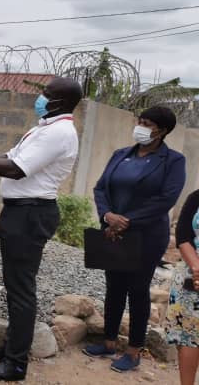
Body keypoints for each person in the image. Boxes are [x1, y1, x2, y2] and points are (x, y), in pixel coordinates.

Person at [0, 77, 83, 381]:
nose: (40, 97)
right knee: (14, 286)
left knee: (21, 289)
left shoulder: (59, 132)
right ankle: (11, 347)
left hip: (30, 213)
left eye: (47, 94)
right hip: (22, 212)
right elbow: (9, 157)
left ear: (61, 102)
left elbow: (15, 169)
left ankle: (16, 363)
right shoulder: (45, 128)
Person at [85, 106, 185, 372]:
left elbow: (166, 199)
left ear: (162, 131)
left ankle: (133, 351)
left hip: (146, 235)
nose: (140, 126)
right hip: (112, 231)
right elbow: (100, 188)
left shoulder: (173, 161)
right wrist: (107, 215)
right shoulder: (121, 155)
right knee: (114, 286)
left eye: (147, 123)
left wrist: (126, 221)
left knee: (137, 289)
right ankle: (108, 342)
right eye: (139, 121)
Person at [167, 189, 199, 385]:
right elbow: (183, 235)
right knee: (189, 336)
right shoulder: (196, 197)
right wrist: (196, 267)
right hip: (191, 275)